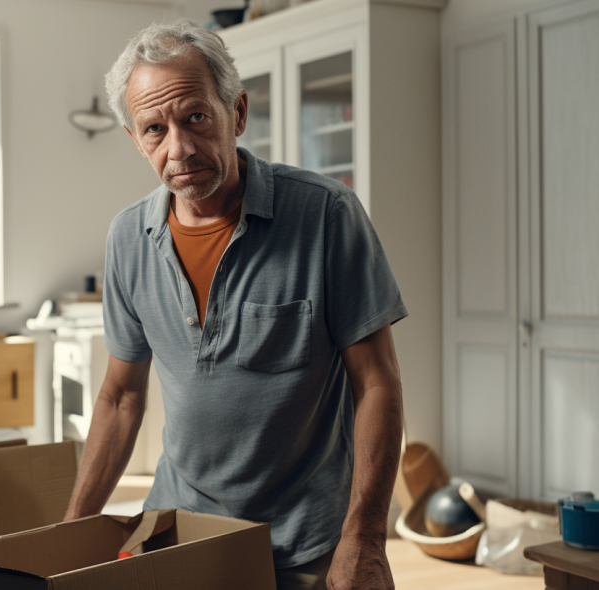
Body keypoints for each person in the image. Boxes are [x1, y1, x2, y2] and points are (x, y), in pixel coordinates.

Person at [62, 19, 407, 590]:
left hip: (306, 540)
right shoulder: (127, 240)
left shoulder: (326, 215)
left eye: (196, 116)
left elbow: (378, 385)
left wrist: (366, 539)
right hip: (180, 528)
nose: (180, 148)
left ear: (237, 113)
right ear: (135, 140)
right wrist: (71, 534)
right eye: (155, 128)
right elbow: (121, 397)